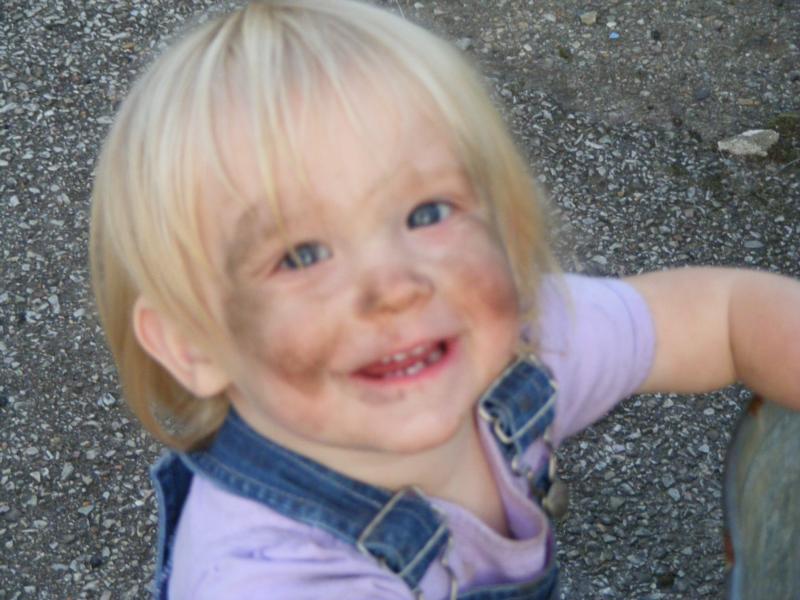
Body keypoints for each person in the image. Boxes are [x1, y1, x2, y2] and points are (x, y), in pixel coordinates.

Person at [89, 1, 800, 598]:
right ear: (193, 342)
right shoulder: (272, 580)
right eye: (301, 255)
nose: (398, 286)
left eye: (426, 213)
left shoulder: (514, 352)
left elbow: (723, 317)